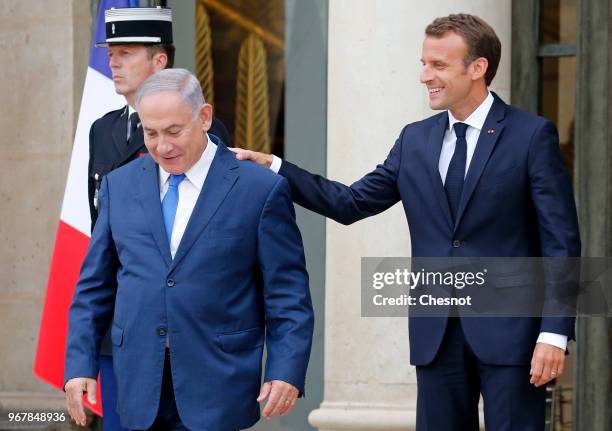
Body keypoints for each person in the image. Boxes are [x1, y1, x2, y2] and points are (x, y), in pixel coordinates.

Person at [233, 14, 580, 431]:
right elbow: (350, 202)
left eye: (437, 65)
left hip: (513, 334)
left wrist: (554, 334)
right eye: (423, 63)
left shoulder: (531, 135)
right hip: (435, 335)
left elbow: (561, 242)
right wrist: (274, 166)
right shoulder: (414, 140)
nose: (424, 76)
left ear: (477, 68)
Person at [64, 68, 314, 431]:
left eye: (174, 131)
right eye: (151, 133)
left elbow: (288, 293)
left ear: (205, 117)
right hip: (137, 384)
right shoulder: (119, 186)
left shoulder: (260, 189)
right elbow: (94, 287)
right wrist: (79, 364)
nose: (162, 146)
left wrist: (286, 369)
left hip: (218, 385)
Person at [88, 7, 230, 428]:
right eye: (111, 51)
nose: (113, 61)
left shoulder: (200, 130)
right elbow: (101, 230)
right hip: (120, 323)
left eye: (126, 52)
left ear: (159, 61)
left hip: (177, 332)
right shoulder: (103, 129)